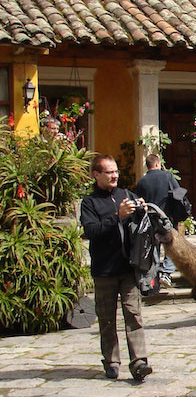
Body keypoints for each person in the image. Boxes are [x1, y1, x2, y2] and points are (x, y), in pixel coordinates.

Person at [79, 155, 153, 383]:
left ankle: (139, 361)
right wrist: (116, 217)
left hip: (128, 267)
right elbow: (91, 231)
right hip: (104, 269)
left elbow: (139, 225)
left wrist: (141, 209)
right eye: (109, 172)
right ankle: (111, 362)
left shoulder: (125, 195)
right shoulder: (90, 203)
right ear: (96, 175)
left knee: (133, 314)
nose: (114, 176)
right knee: (107, 319)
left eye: (116, 172)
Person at [133, 154, 184, 289]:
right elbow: (179, 194)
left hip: (150, 221)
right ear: (157, 164)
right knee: (171, 246)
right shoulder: (167, 176)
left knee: (152, 249)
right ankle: (166, 273)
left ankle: (152, 279)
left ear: (148, 166)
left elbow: (138, 201)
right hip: (167, 219)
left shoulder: (142, 182)